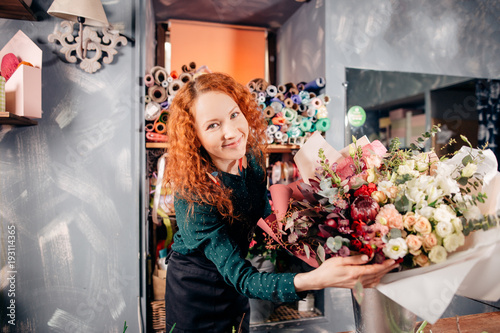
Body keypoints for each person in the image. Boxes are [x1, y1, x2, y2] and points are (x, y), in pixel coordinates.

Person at [163, 72, 398, 332]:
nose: (231, 132)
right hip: (196, 291)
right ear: (194, 135)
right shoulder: (193, 196)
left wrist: (322, 223)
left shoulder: (249, 160)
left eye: (233, 115)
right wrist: (315, 279)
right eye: (212, 125)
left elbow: (261, 213)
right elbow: (244, 279)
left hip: (235, 282)